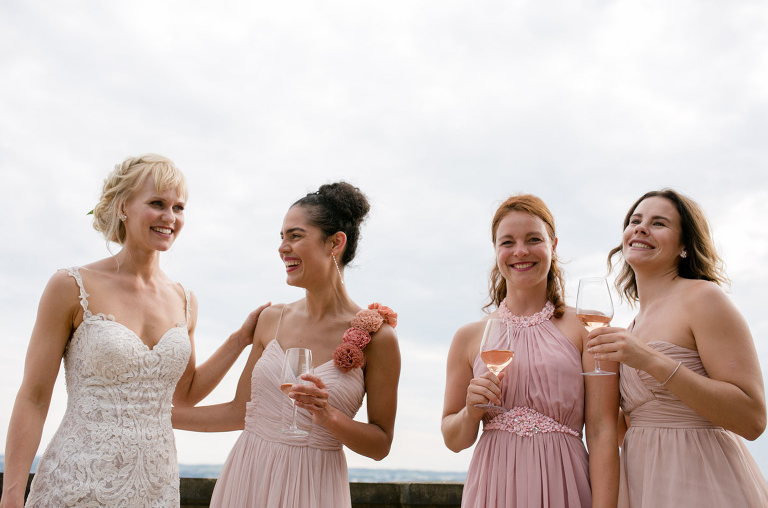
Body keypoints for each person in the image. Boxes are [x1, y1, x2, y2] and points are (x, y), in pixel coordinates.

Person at [0, 155, 267, 508]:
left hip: (156, 487)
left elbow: (185, 394)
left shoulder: (185, 300)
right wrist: (11, 495)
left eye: (179, 207)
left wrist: (238, 340)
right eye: (157, 203)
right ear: (123, 206)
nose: (169, 217)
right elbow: (34, 398)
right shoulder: (70, 285)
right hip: (76, 483)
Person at [172, 181, 401, 508]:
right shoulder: (271, 320)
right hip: (248, 476)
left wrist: (328, 416)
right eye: (281, 237)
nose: (283, 247)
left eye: (295, 236)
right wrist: (155, 416)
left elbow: (380, 444)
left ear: (335, 243)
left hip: (314, 487)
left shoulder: (379, 338)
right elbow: (240, 413)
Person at [586, 189, 768, 507]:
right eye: (635, 220)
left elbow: (752, 419)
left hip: (703, 481)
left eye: (659, 223)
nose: (641, 228)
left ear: (684, 245)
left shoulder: (704, 298)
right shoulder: (631, 325)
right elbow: (634, 427)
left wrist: (650, 360)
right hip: (646, 484)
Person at [441, 194, 619, 508]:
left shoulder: (585, 329)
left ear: (553, 244)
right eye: (507, 242)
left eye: (533, 239)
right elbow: (454, 441)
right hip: (492, 489)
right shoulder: (469, 337)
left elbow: (604, 432)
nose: (520, 251)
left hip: (565, 486)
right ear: (496, 250)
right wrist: (471, 412)